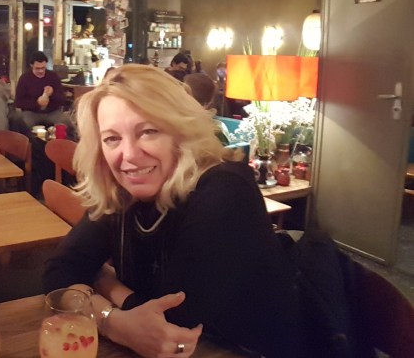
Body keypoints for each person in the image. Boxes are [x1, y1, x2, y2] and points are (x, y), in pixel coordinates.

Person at [42, 64, 314, 358]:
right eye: (112, 138)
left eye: (148, 131)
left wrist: (104, 282)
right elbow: (58, 273)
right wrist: (112, 322)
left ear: (180, 131)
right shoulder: (120, 192)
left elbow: (169, 323)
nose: (129, 154)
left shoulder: (225, 189)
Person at [14, 51, 69, 129]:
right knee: (23, 122)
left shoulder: (53, 76)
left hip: (52, 112)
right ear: (31, 65)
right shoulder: (24, 78)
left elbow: (62, 100)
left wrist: (52, 93)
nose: (41, 71)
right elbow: (18, 102)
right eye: (37, 68)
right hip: (31, 113)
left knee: (65, 121)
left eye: (43, 68)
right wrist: (37, 103)